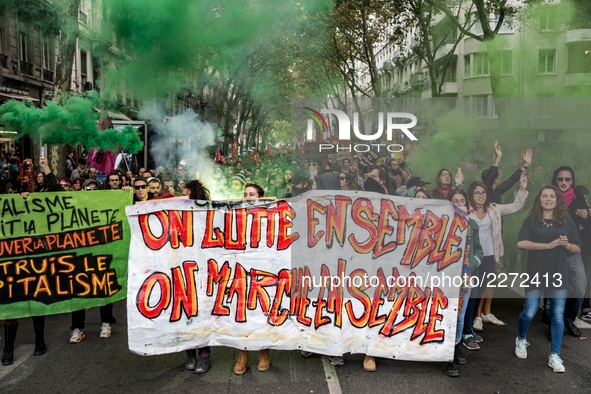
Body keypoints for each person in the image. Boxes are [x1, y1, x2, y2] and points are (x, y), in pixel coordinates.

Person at [1, 155, 61, 365]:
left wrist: (46, 168)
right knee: (10, 304)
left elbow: (58, 196)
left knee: (36, 300)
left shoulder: (35, 202)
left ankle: (40, 341)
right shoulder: (8, 209)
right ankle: (7, 348)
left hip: (36, 260)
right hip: (11, 263)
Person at [515, 185, 581, 373]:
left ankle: (554, 355)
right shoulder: (531, 220)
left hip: (559, 274)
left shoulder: (567, 221)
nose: (548, 199)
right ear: (540, 200)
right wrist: (548, 245)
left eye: (552, 196)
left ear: (557, 200)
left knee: (557, 316)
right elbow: (520, 243)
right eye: (545, 196)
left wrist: (567, 245)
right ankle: (521, 339)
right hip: (536, 273)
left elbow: (578, 248)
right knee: (529, 312)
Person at [464, 174, 528, 349]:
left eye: (483, 192)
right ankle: (466, 331)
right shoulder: (465, 209)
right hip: (470, 259)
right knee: (471, 294)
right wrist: (457, 183)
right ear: (471, 195)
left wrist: (522, 189)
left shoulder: (494, 208)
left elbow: (515, 206)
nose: (480, 195)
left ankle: (469, 327)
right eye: (477, 193)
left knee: (478, 294)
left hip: (489, 257)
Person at [233, 183, 272, 375]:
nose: (248, 197)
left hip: (263, 270)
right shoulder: (236, 214)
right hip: (241, 271)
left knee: (263, 313)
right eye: (245, 194)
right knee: (242, 314)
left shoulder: (270, 214)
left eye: (252, 194)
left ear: (260, 196)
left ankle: (264, 354)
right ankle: (243, 354)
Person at [444, 188, 483, 377]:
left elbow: (479, 250)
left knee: (459, 316)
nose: (459, 204)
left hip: (465, 278)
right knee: (445, 316)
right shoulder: (442, 222)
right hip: (444, 278)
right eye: (455, 201)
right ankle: (445, 354)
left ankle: (455, 348)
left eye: (462, 201)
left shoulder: (472, 224)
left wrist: (470, 264)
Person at [547, 166, 589, 337]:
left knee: (580, 288)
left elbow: (586, 225)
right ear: (555, 180)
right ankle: (554, 325)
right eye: (560, 179)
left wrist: (586, 216)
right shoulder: (548, 195)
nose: (564, 182)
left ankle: (568, 320)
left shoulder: (578, 197)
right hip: (553, 251)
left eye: (567, 179)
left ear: (572, 181)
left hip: (573, 250)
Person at [181, 179, 213, 374]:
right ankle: (189, 354)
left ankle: (204, 354)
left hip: (202, 272)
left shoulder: (206, 213)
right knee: (183, 313)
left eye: (185, 193)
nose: (181, 196)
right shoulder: (174, 212)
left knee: (200, 314)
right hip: (179, 271)